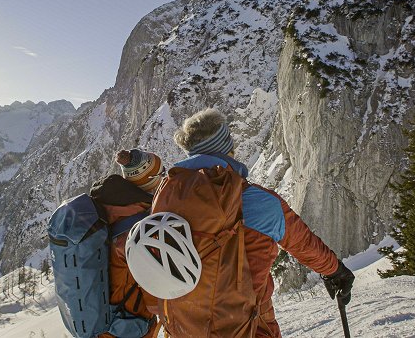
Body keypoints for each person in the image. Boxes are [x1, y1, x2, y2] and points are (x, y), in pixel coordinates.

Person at [171, 108, 355, 337]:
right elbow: (302, 243)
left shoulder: (167, 199)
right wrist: (336, 271)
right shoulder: (256, 201)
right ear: (227, 151)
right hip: (246, 327)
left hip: (183, 327)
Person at [91, 148, 165, 338]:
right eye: (161, 174)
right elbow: (157, 301)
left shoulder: (111, 210)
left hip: (105, 320)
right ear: (150, 182)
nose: (165, 179)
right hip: (128, 325)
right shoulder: (139, 230)